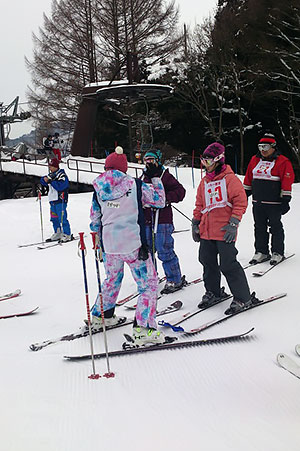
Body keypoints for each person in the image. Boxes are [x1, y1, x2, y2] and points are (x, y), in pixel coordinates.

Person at [89, 146, 167, 345]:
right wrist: (156, 178)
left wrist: (98, 243)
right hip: (133, 244)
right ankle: (144, 329)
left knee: (112, 278)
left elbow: (95, 218)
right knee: (148, 284)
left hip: (109, 244)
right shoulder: (135, 185)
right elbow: (159, 200)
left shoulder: (97, 187)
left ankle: (100, 315)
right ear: (124, 168)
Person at [192, 142, 257, 315]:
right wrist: (195, 222)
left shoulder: (230, 179)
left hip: (225, 230)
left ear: (219, 160)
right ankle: (213, 292)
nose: (205, 164)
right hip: (207, 230)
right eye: (203, 160)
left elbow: (240, 201)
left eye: (208, 160)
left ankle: (243, 297)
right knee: (207, 261)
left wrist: (234, 223)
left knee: (228, 264)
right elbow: (199, 203)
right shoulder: (204, 182)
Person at [244, 133, 295, 265]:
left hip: (274, 203)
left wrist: (286, 199)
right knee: (259, 227)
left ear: (273, 147)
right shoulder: (255, 160)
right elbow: (249, 178)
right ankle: (261, 251)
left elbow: (287, 180)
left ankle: (277, 252)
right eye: (260, 146)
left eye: (265, 146)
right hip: (258, 202)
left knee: (275, 227)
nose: (263, 150)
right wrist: (244, 194)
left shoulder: (283, 161)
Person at [141, 149, 186, 293]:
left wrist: (166, 199)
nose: (149, 163)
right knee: (147, 251)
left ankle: (174, 278)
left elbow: (180, 191)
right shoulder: (143, 177)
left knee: (164, 249)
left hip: (162, 220)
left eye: (152, 160)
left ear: (158, 160)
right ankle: (150, 277)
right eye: (146, 160)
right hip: (147, 220)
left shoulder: (164, 175)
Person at [40, 157, 72, 242]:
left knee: (62, 217)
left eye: (51, 166)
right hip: (52, 200)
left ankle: (67, 233)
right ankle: (57, 232)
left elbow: (61, 186)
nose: (50, 168)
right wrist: (45, 180)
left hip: (60, 199)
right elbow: (43, 181)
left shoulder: (61, 175)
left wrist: (51, 181)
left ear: (55, 166)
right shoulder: (51, 175)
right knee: (54, 217)